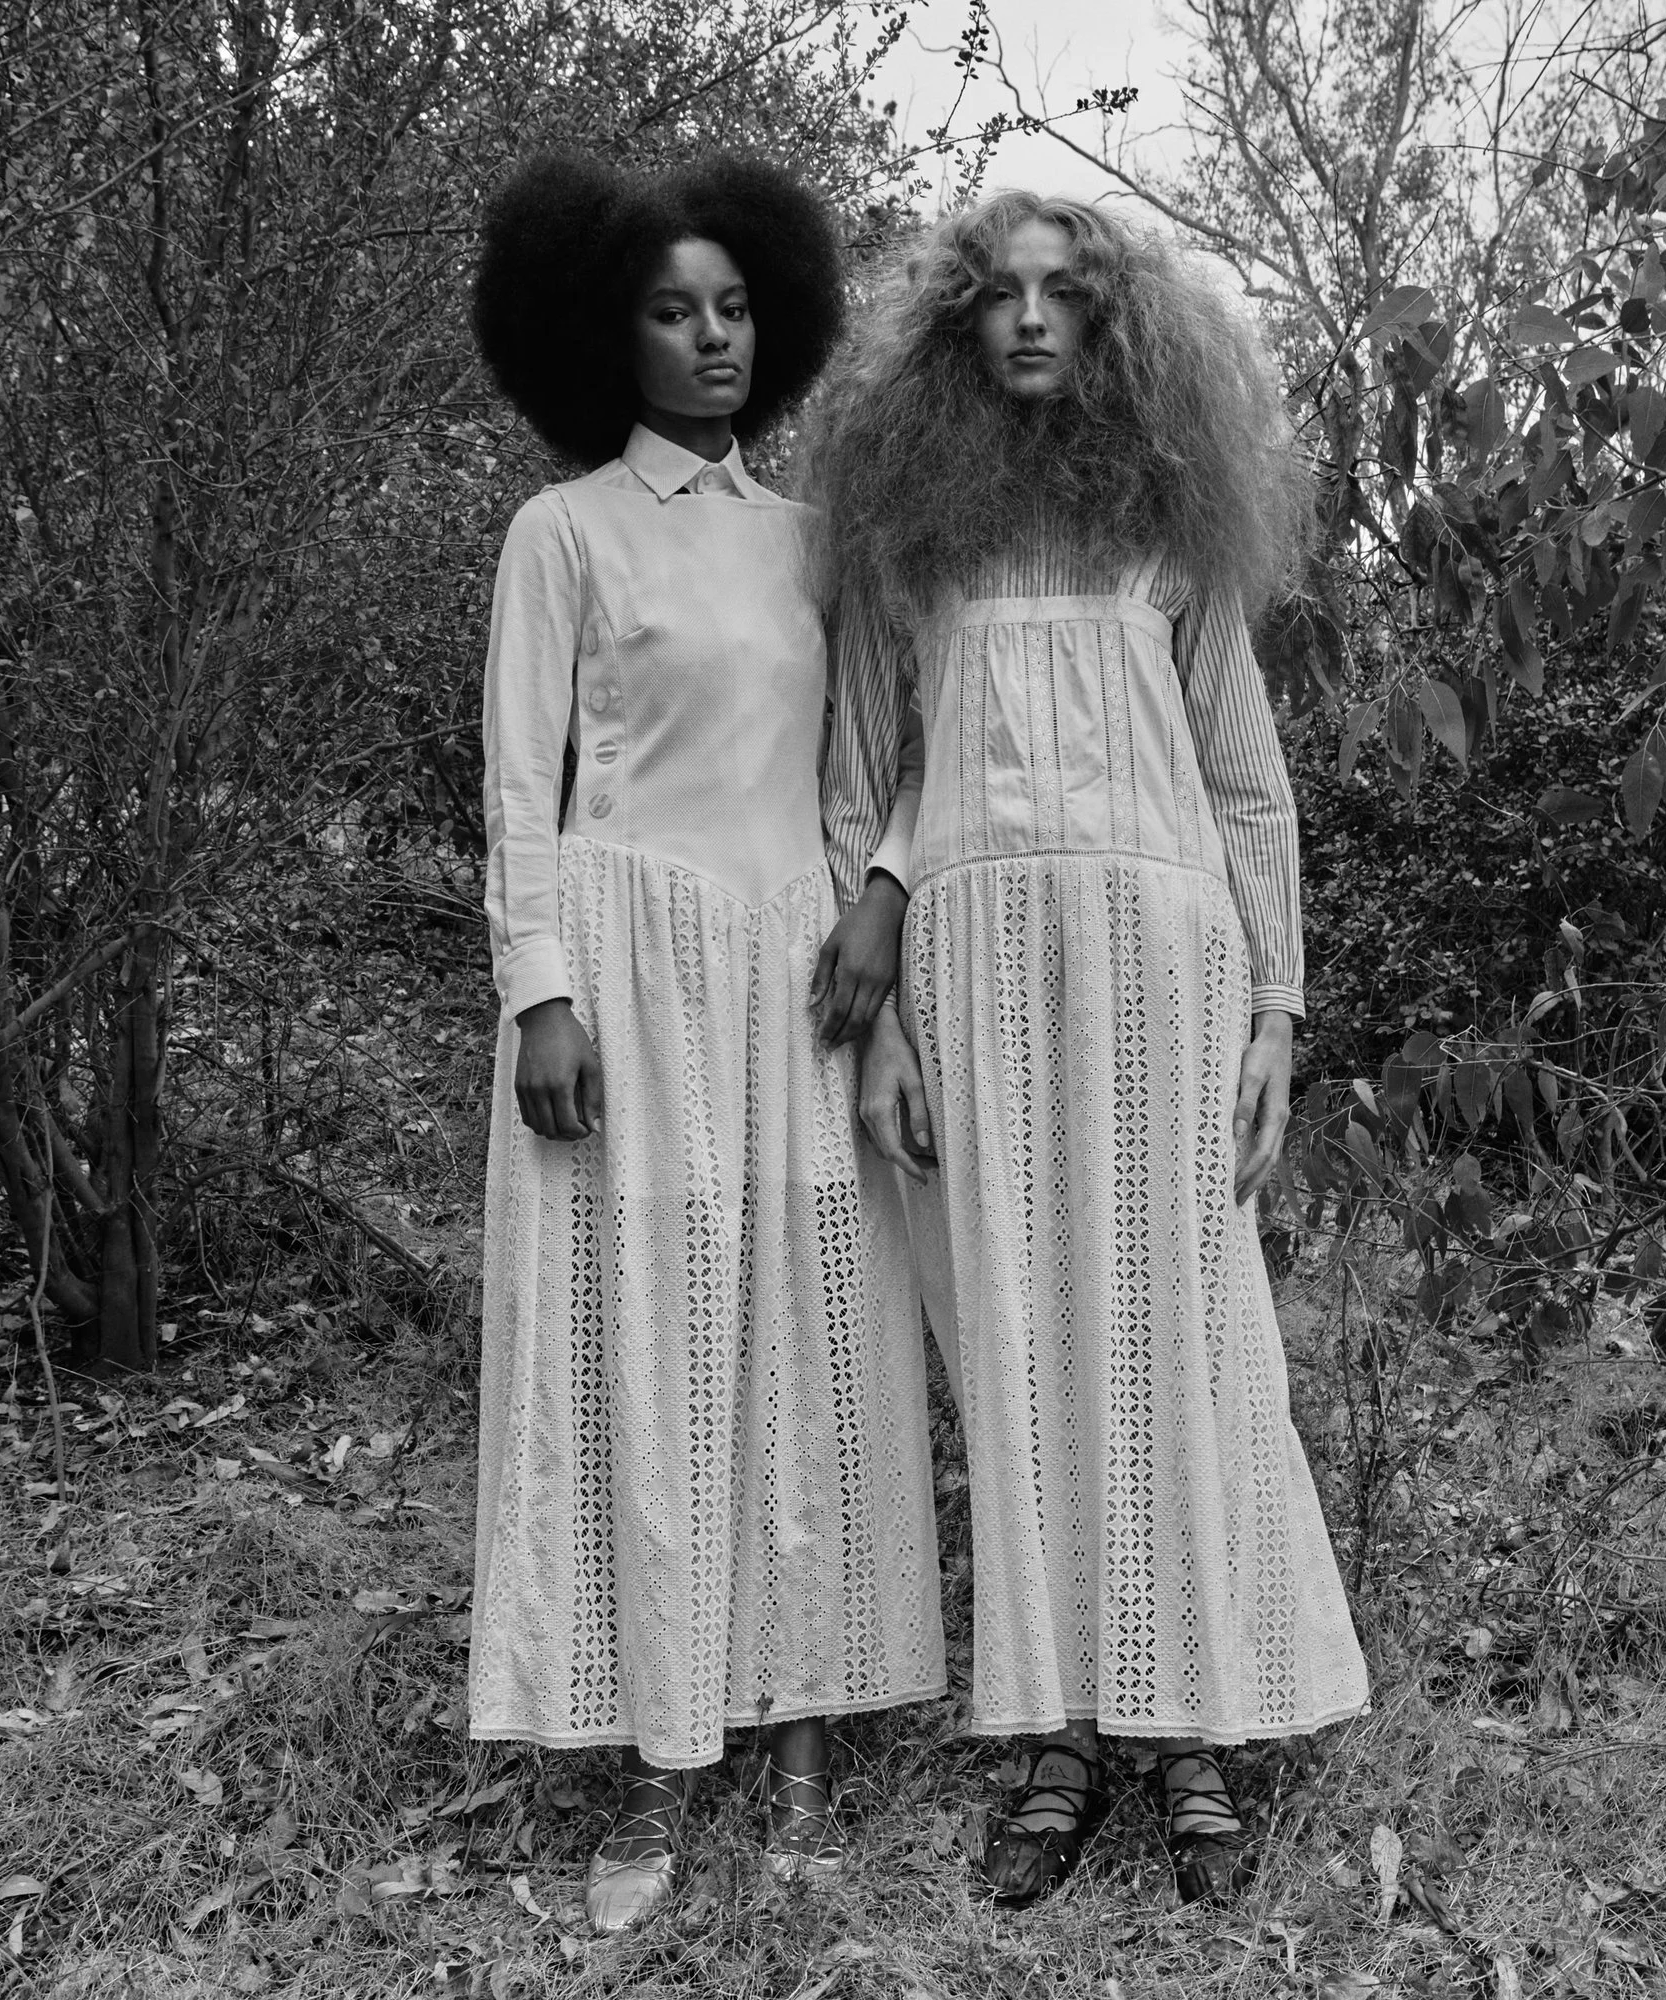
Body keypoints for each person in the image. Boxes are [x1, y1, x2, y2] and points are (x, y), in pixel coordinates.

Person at [804, 190, 1369, 1908]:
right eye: (1001, 295)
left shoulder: (1169, 536)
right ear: (954, 326)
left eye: (1068, 296)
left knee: (1183, 1339)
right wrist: (885, 1022)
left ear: (1117, 328)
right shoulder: (915, 543)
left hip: (1164, 964)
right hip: (977, 978)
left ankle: (1193, 1729)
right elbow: (859, 792)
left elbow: (1245, 778)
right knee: (1020, 1342)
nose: (1034, 320)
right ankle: (1058, 1734)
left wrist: (1276, 1010)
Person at [465, 152, 943, 1935]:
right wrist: (543, 989)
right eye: (673, 311)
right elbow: (521, 789)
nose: (712, 338)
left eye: (736, 306)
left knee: (808, 1330)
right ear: (610, 334)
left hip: (792, 974)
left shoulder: (811, 533)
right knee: (647, 1345)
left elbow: (885, 755)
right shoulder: (565, 533)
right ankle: (663, 1746)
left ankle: (806, 1723)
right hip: (631, 970)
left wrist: (882, 903)